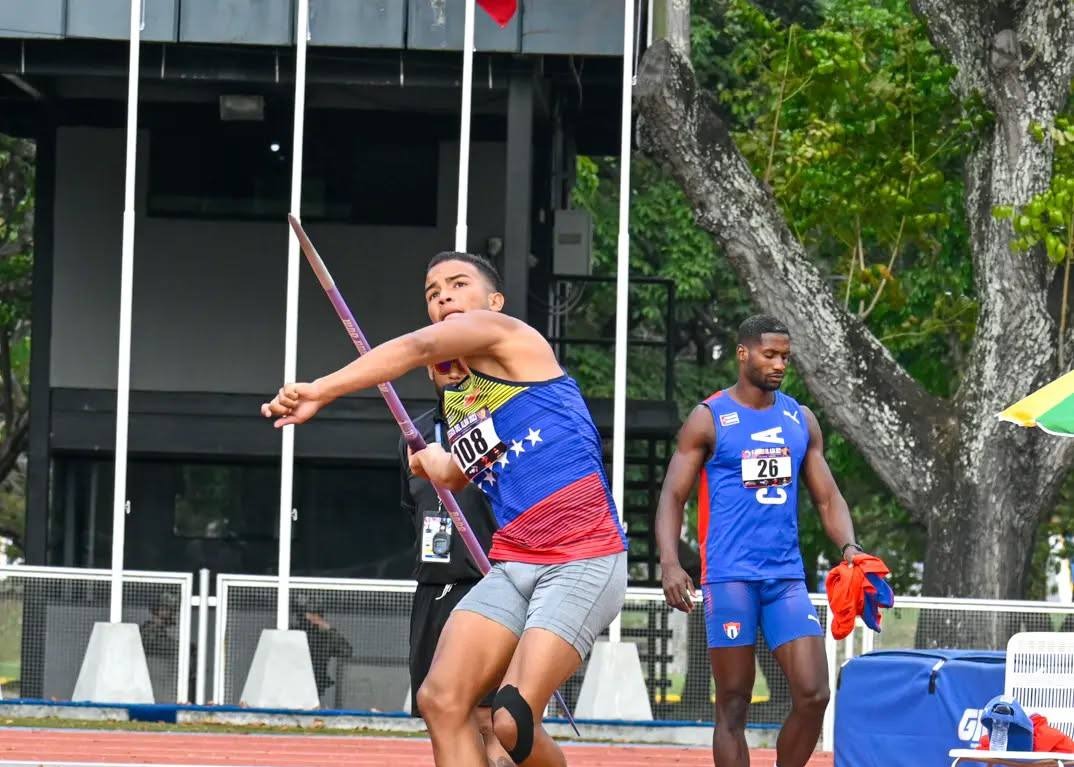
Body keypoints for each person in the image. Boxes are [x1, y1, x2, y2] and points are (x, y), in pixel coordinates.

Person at [262, 251, 627, 767]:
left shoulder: (513, 339)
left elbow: (417, 346)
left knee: (511, 718)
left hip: (582, 560)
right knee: (442, 700)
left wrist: (320, 390)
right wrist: (433, 462)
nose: (443, 298)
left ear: (493, 302)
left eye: (458, 285)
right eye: (433, 293)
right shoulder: (463, 401)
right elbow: (460, 474)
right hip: (517, 563)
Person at [655, 314, 866, 767]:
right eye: (770, 354)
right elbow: (673, 496)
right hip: (729, 578)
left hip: (784, 578)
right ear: (743, 353)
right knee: (733, 704)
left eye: (785, 356)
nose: (779, 364)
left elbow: (828, 498)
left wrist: (850, 547)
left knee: (814, 693)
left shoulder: (799, 418)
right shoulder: (709, 418)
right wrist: (671, 563)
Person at [401, 359, 508, 764]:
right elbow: (412, 507)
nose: (453, 369)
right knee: (442, 712)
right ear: (429, 370)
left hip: (493, 584)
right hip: (435, 585)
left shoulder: (500, 423)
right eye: (443, 362)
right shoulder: (413, 434)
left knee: (490, 718)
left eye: (464, 360)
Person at [290, 593, 354, 700]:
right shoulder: (294, 633)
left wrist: (329, 629)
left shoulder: (325, 637)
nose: (314, 617)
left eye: (317, 614)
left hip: (316, 687)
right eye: (310, 613)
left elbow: (346, 651)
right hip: (293, 686)